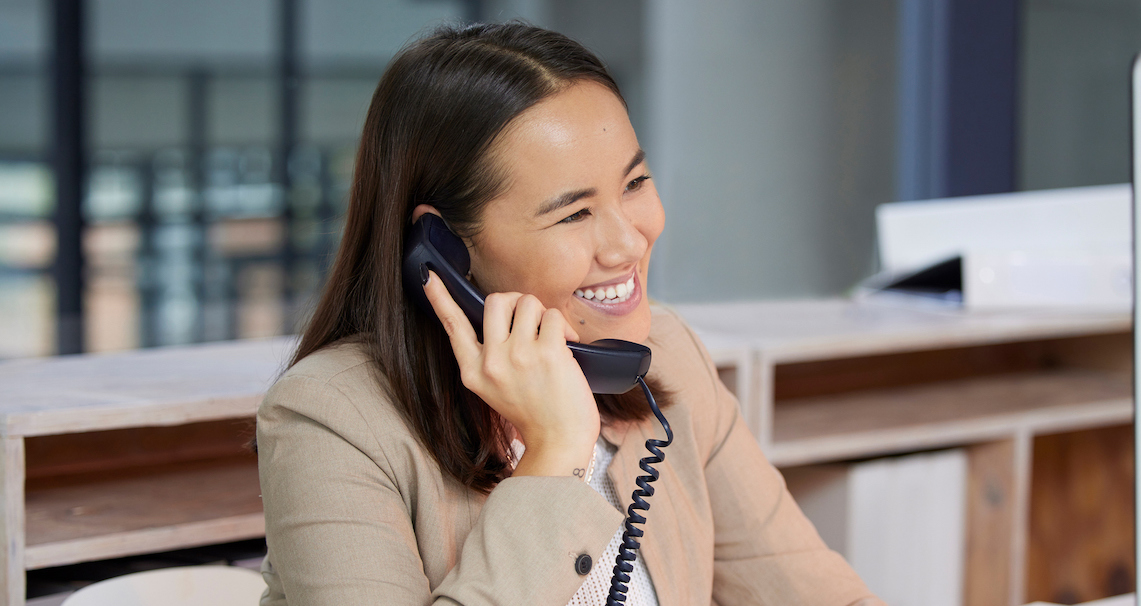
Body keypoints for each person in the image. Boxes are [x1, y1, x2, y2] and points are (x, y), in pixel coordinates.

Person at [255, 21, 884, 606]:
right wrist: (554, 453)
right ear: (443, 249)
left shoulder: (665, 359)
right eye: (574, 213)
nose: (628, 242)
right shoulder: (333, 421)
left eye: (634, 184)